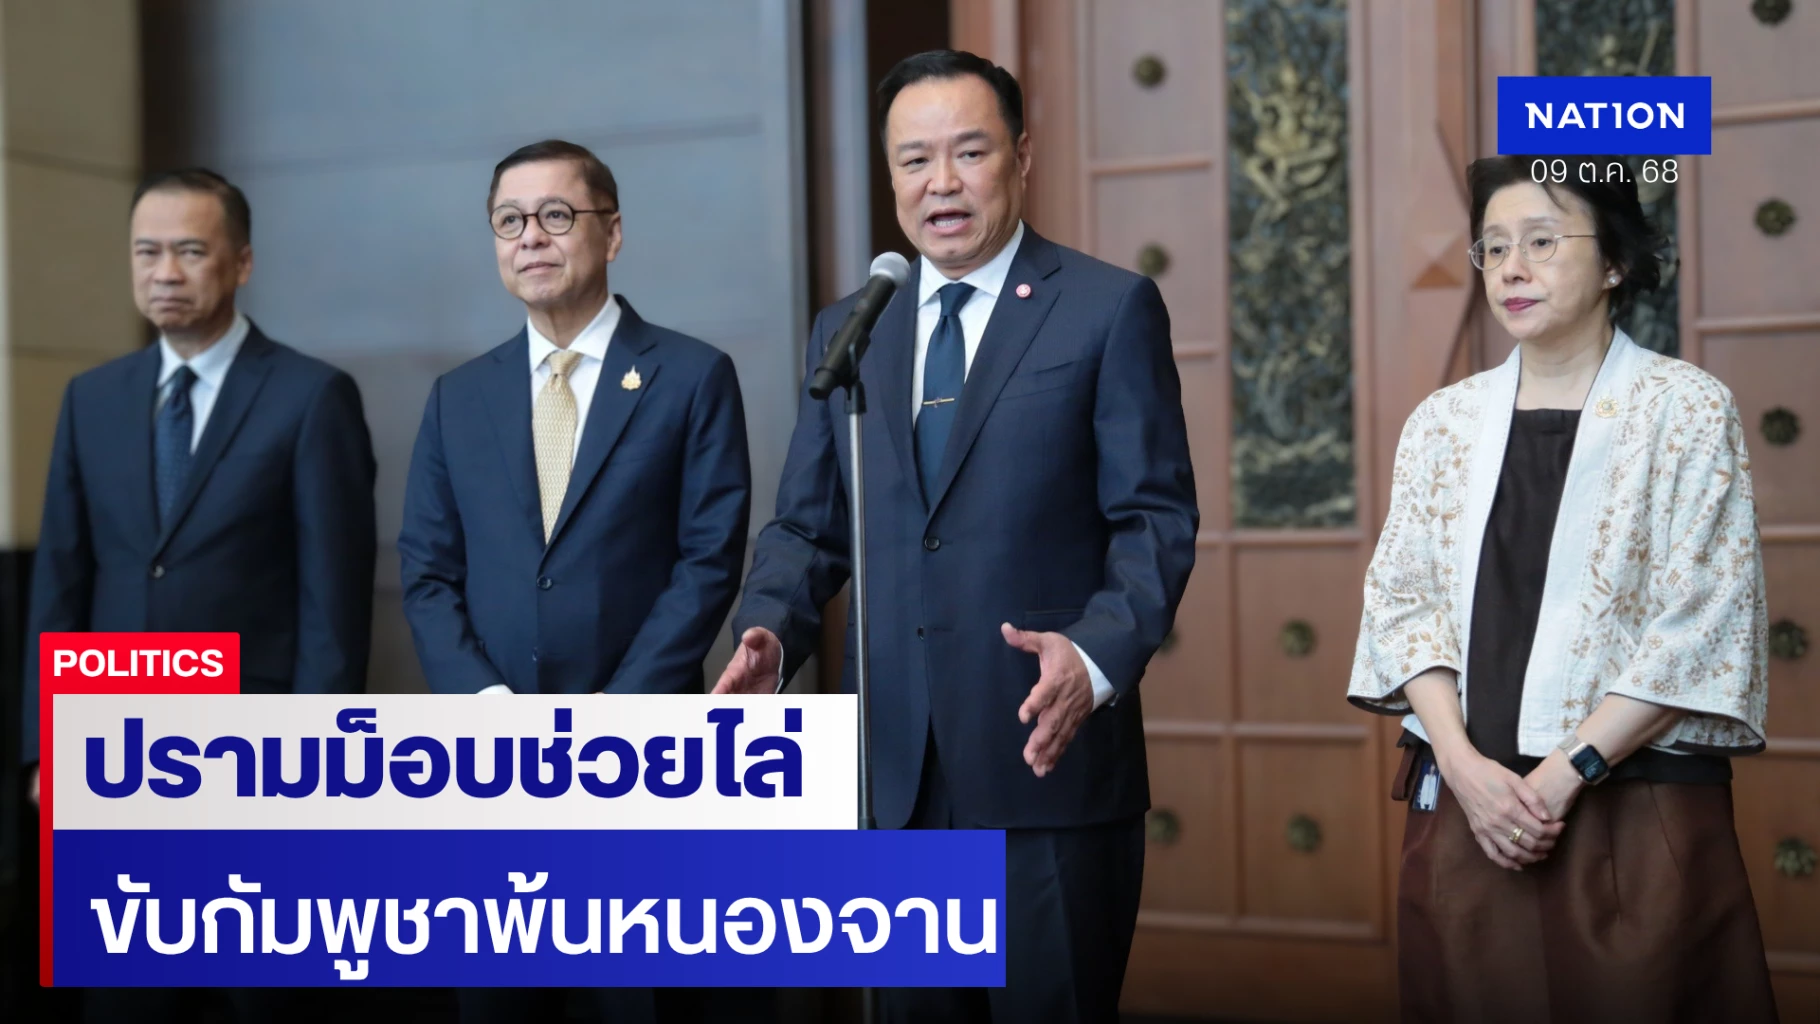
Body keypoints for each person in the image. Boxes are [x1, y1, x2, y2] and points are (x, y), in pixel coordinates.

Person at [713, 50, 1198, 1022]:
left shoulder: (1104, 308)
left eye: (968, 152)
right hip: (893, 776)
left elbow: (1154, 519)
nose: (941, 182)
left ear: (1021, 157)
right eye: (914, 159)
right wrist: (769, 630)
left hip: (1045, 759)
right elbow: (808, 523)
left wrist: (1094, 657)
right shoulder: (852, 329)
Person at [1349, 154, 1776, 1022]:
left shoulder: (1686, 409)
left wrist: (1568, 771)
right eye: (1495, 246)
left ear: (1614, 260)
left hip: (1636, 806)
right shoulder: (1443, 423)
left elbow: (1702, 619)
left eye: (1542, 242)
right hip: (1469, 807)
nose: (1512, 268)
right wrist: (1462, 768)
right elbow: (1401, 606)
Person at [397, 139, 753, 1024]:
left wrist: (616, 712)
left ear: (613, 232)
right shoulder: (457, 397)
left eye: (556, 215)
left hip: (641, 763)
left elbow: (708, 560)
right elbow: (428, 574)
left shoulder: (691, 377)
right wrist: (486, 705)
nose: (531, 237)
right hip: (490, 772)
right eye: (509, 221)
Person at [22, 168, 378, 1022]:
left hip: (256, 763)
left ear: (242, 262)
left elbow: (334, 601)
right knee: (122, 1003)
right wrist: (45, 748)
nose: (165, 273)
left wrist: (318, 760)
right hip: (114, 758)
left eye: (190, 251)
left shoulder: (310, 396)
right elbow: (61, 582)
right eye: (147, 252)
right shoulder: (91, 399)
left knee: (262, 1001)